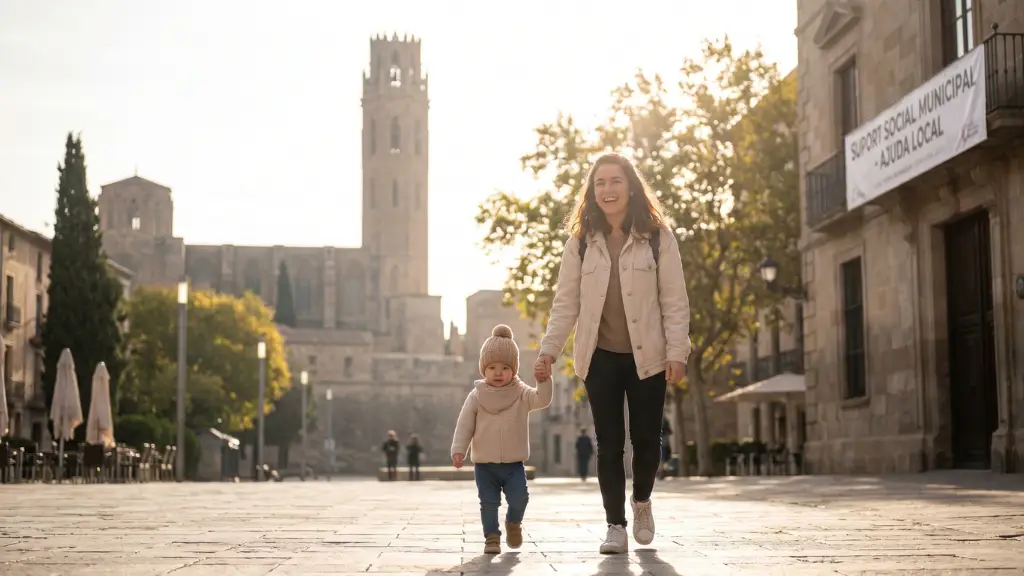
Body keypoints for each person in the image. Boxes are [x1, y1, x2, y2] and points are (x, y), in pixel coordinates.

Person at [534, 152, 690, 554]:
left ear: (630, 186)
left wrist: (678, 352)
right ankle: (615, 526)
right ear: (592, 191)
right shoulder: (581, 244)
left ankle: (641, 503)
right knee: (609, 443)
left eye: (615, 181)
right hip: (599, 356)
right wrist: (549, 350)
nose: (607, 189)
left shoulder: (658, 238)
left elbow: (675, 301)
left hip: (649, 357)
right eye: (599, 182)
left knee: (647, 442)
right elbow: (565, 303)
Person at [451, 324, 553, 555]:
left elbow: (542, 399)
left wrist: (544, 381)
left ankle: (513, 522)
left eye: (505, 367)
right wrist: (459, 449)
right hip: (484, 465)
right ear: (483, 369)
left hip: (513, 465)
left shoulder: (522, 393)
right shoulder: (476, 396)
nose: (498, 373)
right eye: (492, 367)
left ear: (514, 369)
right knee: (488, 503)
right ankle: (492, 538)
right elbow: (465, 424)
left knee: (520, 498)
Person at [659, 415, 672, 480]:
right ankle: (662, 472)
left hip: (663, 444)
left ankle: (662, 472)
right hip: (663, 444)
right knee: (663, 459)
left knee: (663, 459)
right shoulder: (664, 419)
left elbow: (670, 431)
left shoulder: (664, 419)